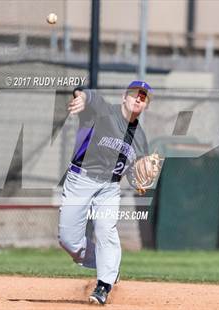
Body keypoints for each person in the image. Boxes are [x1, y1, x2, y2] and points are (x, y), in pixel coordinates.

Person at [58, 81, 153, 305]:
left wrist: (141, 180)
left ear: (146, 105)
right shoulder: (103, 112)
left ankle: (104, 284)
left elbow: (136, 175)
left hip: (110, 188)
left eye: (144, 97)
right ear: (124, 97)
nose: (138, 98)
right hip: (80, 179)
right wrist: (81, 96)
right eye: (134, 94)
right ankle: (105, 265)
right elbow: (91, 97)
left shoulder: (140, 139)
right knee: (69, 241)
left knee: (104, 230)